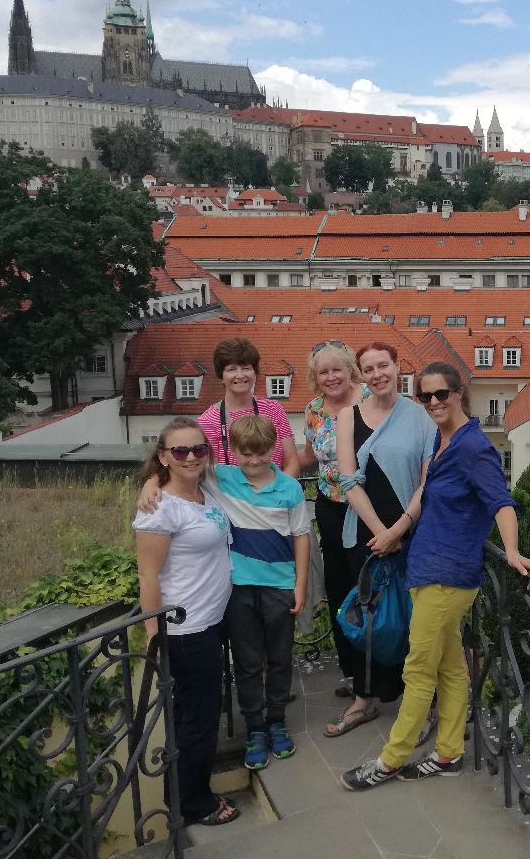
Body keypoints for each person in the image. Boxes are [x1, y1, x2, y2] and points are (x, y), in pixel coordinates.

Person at [341, 362, 530, 791]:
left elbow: (500, 501)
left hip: (448, 575)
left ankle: (391, 759)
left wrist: (512, 550)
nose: (433, 403)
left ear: (459, 392)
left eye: (441, 395)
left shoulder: (473, 447)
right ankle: (449, 753)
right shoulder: (441, 438)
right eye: (425, 396)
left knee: (418, 670)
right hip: (430, 568)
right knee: (450, 669)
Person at [324, 341, 435, 737]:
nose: (377, 375)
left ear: (397, 365)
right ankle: (364, 698)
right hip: (365, 535)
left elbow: (427, 481)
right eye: (368, 369)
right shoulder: (346, 417)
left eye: (383, 365)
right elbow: (348, 479)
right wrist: (380, 533)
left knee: (413, 621)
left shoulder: (422, 417)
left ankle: (417, 704)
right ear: (361, 375)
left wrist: (398, 529)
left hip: (410, 534)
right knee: (369, 617)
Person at [132, 418, 238, 826]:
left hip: (209, 623)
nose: (191, 456)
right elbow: (148, 577)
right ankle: (193, 804)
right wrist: (155, 640)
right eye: (180, 451)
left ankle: (189, 795)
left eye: (198, 449)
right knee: (196, 721)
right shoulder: (159, 508)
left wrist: (151, 480)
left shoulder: (204, 492)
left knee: (201, 715)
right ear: (164, 457)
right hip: (184, 630)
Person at [214, 415, 311, 771]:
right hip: (237, 587)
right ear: (232, 451)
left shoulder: (289, 488)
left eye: (261, 453)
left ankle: (276, 722)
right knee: (248, 662)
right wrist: (150, 486)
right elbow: (176, 470)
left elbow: (301, 536)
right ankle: (255, 728)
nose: (253, 461)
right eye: (245, 454)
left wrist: (300, 585)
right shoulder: (221, 478)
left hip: (279, 585)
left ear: (273, 449)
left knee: (280, 658)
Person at [300, 340, 365, 698]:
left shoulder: (371, 398)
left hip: (370, 508)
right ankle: (353, 670)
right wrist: (263, 474)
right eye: (323, 372)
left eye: (336, 369)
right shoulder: (313, 410)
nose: (330, 377)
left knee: (371, 585)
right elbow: (310, 456)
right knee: (340, 587)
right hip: (331, 507)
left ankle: (383, 668)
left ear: (349, 370)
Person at [200, 337, 300, 477]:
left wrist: (277, 493)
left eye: (246, 368)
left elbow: (291, 462)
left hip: (276, 494)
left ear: (255, 372)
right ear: (221, 376)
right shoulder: (208, 421)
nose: (240, 375)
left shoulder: (273, 409)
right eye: (231, 369)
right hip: (232, 497)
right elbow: (209, 474)